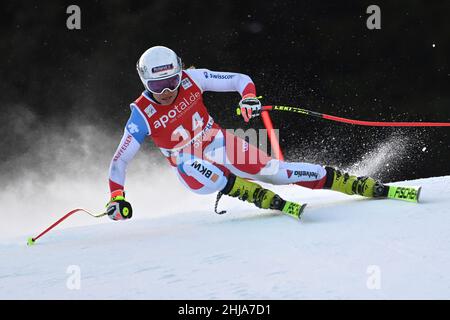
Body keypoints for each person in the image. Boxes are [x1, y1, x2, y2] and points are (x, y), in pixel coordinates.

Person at [105, 46, 389, 221]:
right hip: (194, 170)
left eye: (172, 81)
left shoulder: (194, 79)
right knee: (185, 160)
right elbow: (119, 160)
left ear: (180, 73)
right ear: (145, 83)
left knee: (277, 172)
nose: (167, 91)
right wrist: (116, 197)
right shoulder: (141, 114)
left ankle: (349, 182)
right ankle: (246, 191)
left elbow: (240, 80)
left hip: (217, 143)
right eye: (158, 86)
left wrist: (248, 98)